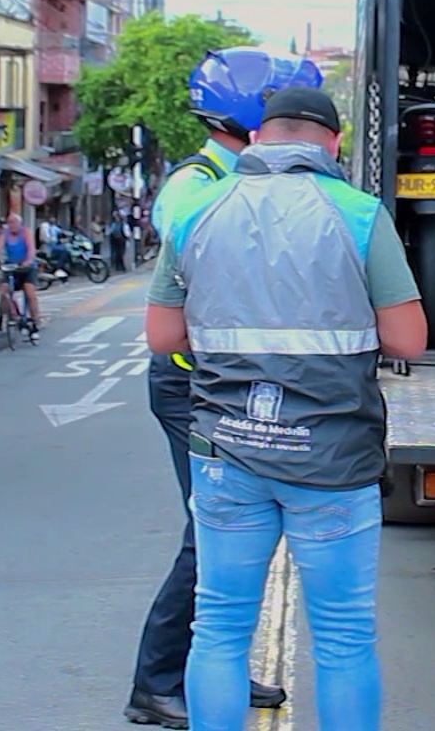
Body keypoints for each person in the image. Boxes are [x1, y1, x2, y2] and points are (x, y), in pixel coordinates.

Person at [144, 85, 427, 731]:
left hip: (227, 449)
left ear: (258, 138)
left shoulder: (197, 211)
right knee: (344, 637)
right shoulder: (358, 214)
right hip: (332, 457)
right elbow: (408, 339)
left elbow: (162, 337)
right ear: (330, 144)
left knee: (217, 627)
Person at [124, 47, 324, 729]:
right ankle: (155, 684)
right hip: (191, 388)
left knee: (239, 537)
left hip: (227, 385)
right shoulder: (195, 185)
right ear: (248, 113)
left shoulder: (233, 172)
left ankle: (219, 673)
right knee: (206, 536)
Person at [0, 212, 40, 334]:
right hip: (11, 266)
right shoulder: (4, 234)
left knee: (29, 291)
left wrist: (28, 261)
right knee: (3, 291)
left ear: (19, 223)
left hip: (26, 268)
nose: (12, 225)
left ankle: (35, 319)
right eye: (10, 223)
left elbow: (31, 249)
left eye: (14, 222)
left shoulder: (25, 232)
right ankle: (1, 321)